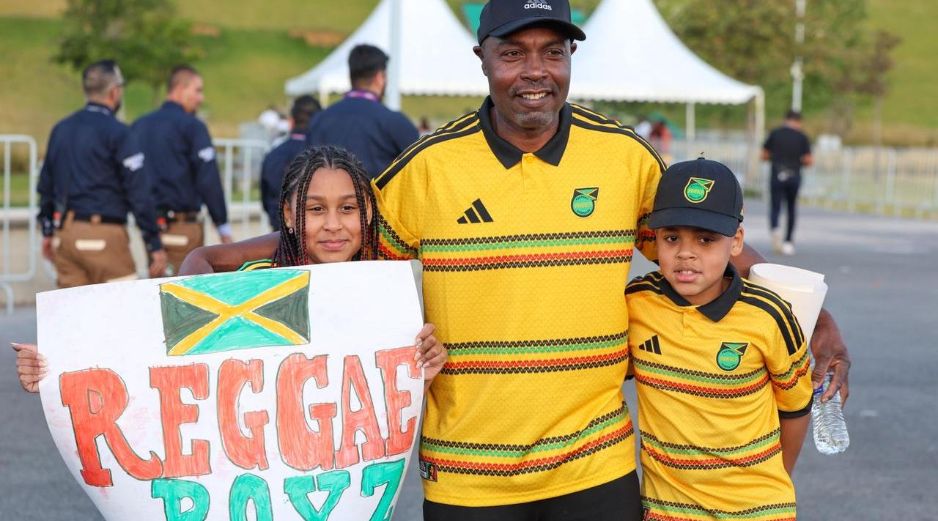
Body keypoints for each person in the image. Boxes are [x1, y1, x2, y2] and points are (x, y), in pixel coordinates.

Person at [167, 0, 850, 517]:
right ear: (483, 59)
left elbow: (707, 241)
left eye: (552, 53)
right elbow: (336, 237)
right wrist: (215, 256)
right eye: (515, 53)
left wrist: (815, 320)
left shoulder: (623, 158)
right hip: (468, 476)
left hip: (595, 468)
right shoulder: (432, 166)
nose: (535, 72)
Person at [14, 146, 447, 394]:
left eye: (347, 209)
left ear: (368, 211)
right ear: (290, 216)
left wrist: (423, 363)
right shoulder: (257, 278)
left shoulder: (385, 290)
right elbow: (146, 345)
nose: (333, 224)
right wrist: (58, 363)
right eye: (315, 210)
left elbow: (394, 391)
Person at [626, 158, 812, 519]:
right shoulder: (637, 303)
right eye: (671, 237)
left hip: (757, 509)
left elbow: (795, 409)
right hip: (667, 510)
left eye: (706, 239)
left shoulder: (769, 314)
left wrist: (776, 481)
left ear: (736, 241)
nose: (686, 253)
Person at [37, 59, 167, 288]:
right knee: (123, 313)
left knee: (73, 315)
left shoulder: (61, 129)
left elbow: (46, 185)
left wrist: (48, 230)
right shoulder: (118, 132)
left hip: (67, 235)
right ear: (115, 92)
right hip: (105, 236)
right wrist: (153, 244)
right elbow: (139, 192)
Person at [132, 65, 232, 276]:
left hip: (151, 228)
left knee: (155, 290)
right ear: (180, 88)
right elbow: (208, 179)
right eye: (197, 90)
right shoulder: (192, 126)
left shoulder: (139, 126)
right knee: (184, 298)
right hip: (182, 227)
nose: (201, 98)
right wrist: (222, 225)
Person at [306, 44, 419, 179]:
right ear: (379, 77)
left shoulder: (319, 120)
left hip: (331, 197)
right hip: (377, 198)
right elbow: (418, 172)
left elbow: (306, 172)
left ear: (351, 75)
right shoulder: (395, 122)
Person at [260, 95, 321, 231]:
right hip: (313, 235)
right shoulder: (325, 158)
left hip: (278, 233)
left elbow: (265, 197)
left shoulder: (272, 155)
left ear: (291, 122)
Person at [762, 109, 813, 255]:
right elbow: (809, 160)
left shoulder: (775, 133)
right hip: (794, 175)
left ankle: (775, 230)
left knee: (775, 206)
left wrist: (775, 157)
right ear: (798, 121)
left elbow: (764, 155)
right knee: (791, 208)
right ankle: (788, 241)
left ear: (785, 119)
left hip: (777, 174)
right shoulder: (802, 137)